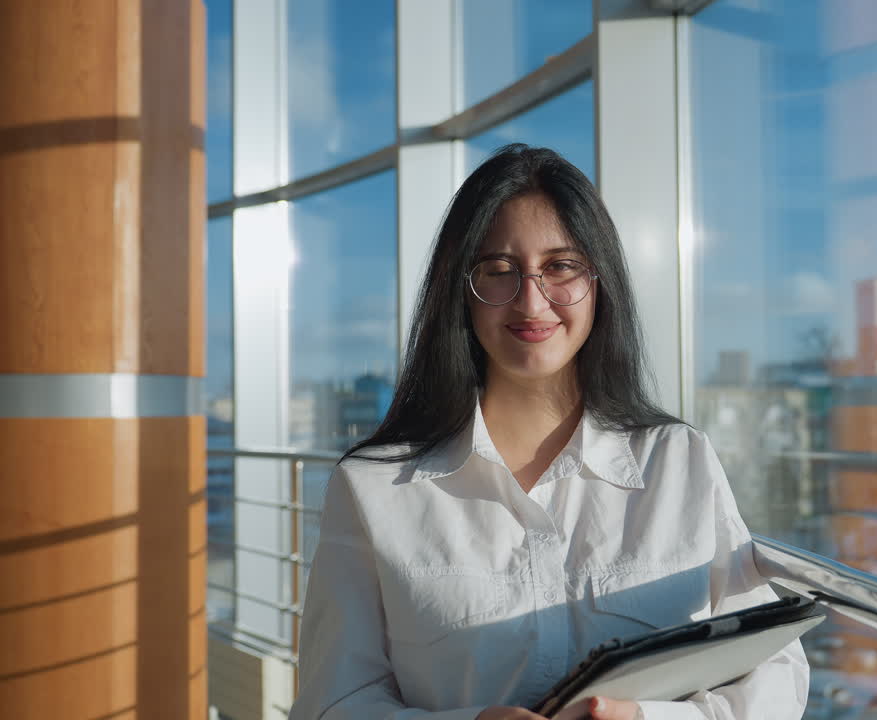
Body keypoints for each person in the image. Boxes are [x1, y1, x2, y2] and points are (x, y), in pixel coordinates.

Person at [288, 145, 810, 720]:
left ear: (599, 280)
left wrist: (648, 719)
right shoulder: (373, 488)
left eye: (560, 266)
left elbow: (775, 670)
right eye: (498, 270)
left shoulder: (678, 460)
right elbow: (331, 703)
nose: (531, 301)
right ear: (460, 290)